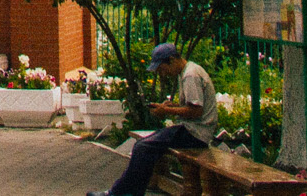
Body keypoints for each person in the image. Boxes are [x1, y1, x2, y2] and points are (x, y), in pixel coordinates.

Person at [91, 43, 220, 196]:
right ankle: (124, 192)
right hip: (191, 130)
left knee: (143, 147)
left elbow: (196, 111)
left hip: (195, 134)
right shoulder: (187, 71)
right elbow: (193, 105)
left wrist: (167, 111)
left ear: (171, 60)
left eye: (162, 69)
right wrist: (171, 106)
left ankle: (118, 193)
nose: (162, 74)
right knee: (142, 145)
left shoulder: (190, 75)